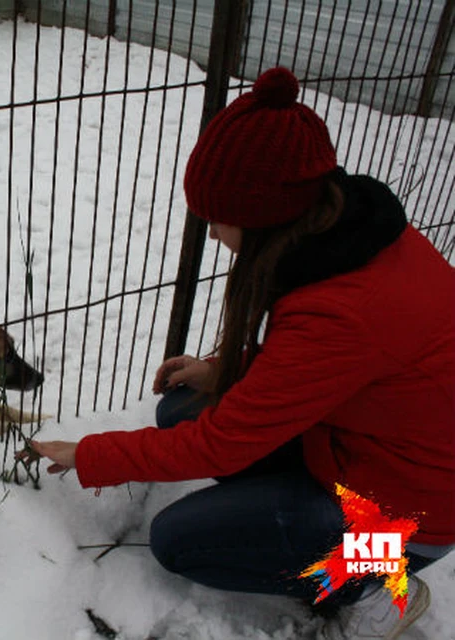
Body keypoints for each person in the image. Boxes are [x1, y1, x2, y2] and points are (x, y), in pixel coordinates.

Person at [24, 67, 455, 640]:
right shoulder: (349, 235)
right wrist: (225, 370)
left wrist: (93, 454)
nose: (212, 230)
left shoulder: (345, 306)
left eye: (217, 219)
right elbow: (331, 367)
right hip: (358, 444)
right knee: (183, 407)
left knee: (182, 542)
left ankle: (375, 585)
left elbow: (229, 438)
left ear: (263, 217)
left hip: (408, 511)